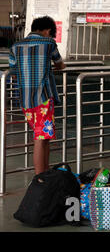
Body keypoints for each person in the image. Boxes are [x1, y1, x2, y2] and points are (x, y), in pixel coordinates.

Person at [9, 16, 66, 175]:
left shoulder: (16, 46)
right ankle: (40, 177)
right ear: (47, 31)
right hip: (43, 98)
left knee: (43, 137)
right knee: (41, 139)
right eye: (50, 33)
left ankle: (44, 174)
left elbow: (13, 73)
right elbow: (60, 64)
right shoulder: (49, 44)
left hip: (26, 99)